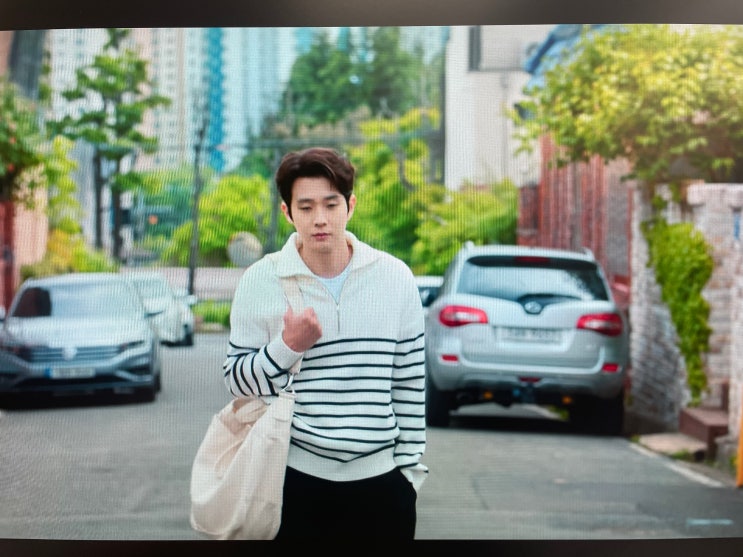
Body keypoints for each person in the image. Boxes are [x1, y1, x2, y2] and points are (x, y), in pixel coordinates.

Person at [222, 146, 428, 540]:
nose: (320, 219)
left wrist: (409, 474)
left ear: (350, 206)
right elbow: (236, 380)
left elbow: (408, 383)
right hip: (292, 482)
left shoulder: (395, 278)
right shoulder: (261, 280)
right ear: (287, 212)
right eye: (306, 207)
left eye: (331, 205)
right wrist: (287, 346)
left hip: (383, 488)